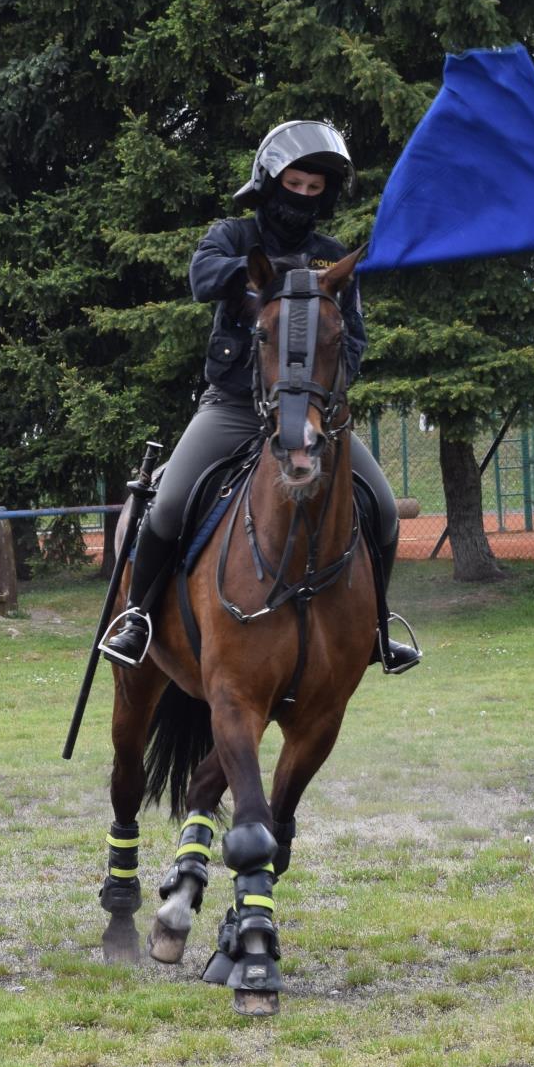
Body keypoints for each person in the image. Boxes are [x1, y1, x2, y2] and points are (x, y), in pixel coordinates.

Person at [101, 120, 421, 674]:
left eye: (314, 188)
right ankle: (137, 618)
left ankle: (377, 628)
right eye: (294, 184)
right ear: (270, 182)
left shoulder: (334, 257)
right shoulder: (231, 237)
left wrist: (323, 399)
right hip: (232, 408)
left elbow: (354, 343)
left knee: (385, 509)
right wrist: (278, 279)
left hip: (314, 413)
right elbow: (202, 277)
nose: (302, 197)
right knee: (169, 504)